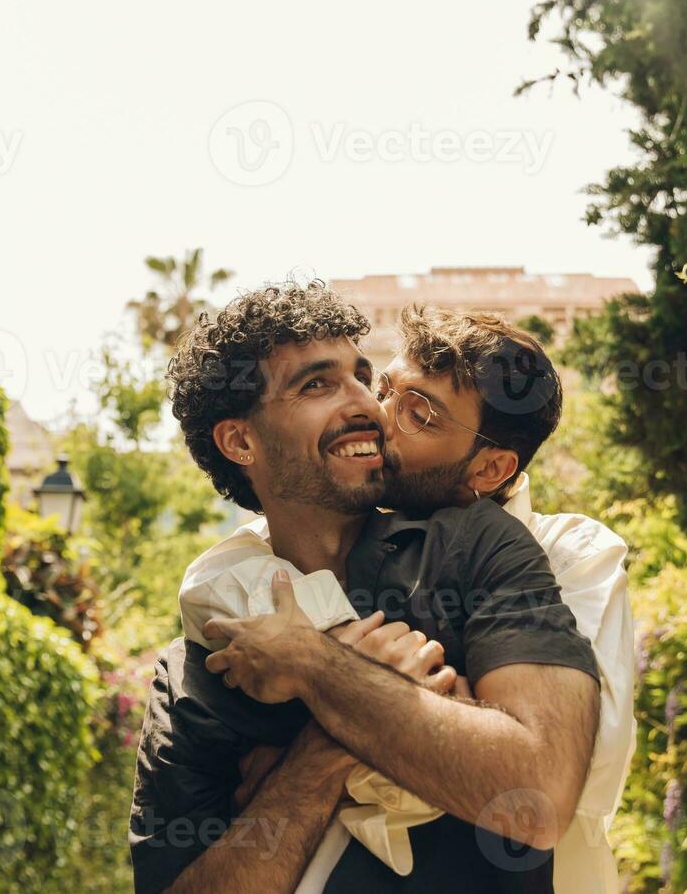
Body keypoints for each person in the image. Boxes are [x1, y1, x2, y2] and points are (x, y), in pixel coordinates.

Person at [130, 281, 602, 892]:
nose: (367, 405)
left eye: (362, 375)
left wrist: (313, 665)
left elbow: (535, 799)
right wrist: (323, 755)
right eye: (317, 384)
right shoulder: (199, 662)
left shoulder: (478, 548)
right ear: (240, 441)